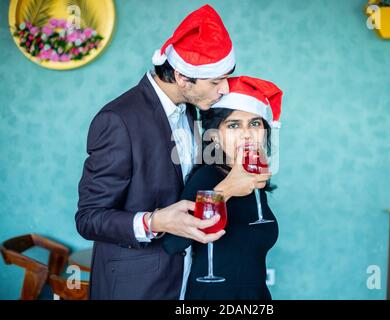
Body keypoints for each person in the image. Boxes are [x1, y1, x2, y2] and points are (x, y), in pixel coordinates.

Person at [75, 6, 271, 300]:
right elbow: (89, 218)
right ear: (182, 77)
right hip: (137, 287)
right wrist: (154, 222)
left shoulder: (195, 110)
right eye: (215, 81)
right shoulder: (118, 120)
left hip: (191, 282)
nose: (223, 90)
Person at [163, 76, 283, 300]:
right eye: (234, 125)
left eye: (255, 124)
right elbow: (173, 243)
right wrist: (225, 190)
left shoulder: (255, 180)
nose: (247, 134)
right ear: (216, 137)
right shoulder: (207, 178)